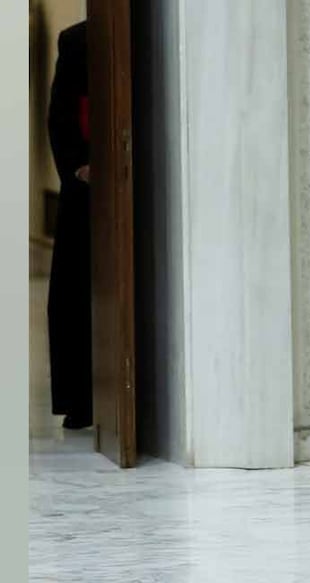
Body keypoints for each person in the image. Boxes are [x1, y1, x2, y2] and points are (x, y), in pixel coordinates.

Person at [46, 20, 93, 431]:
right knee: (75, 293)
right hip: (85, 189)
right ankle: (80, 398)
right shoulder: (77, 39)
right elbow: (61, 115)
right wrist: (79, 167)